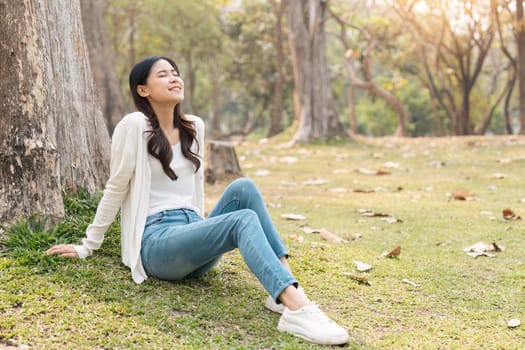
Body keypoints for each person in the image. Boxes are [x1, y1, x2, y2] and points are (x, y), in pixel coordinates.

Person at [47, 56, 349, 345]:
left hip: (193, 237)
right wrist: (87, 245)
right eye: (162, 74)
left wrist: (203, 229)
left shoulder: (194, 126)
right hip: (158, 245)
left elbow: (194, 191)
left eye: (175, 72)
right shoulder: (134, 126)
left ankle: (283, 291)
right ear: (143, 89)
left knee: (243, 188)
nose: (174, 77)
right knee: (241, 220)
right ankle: (298, 309)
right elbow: (115, 188)